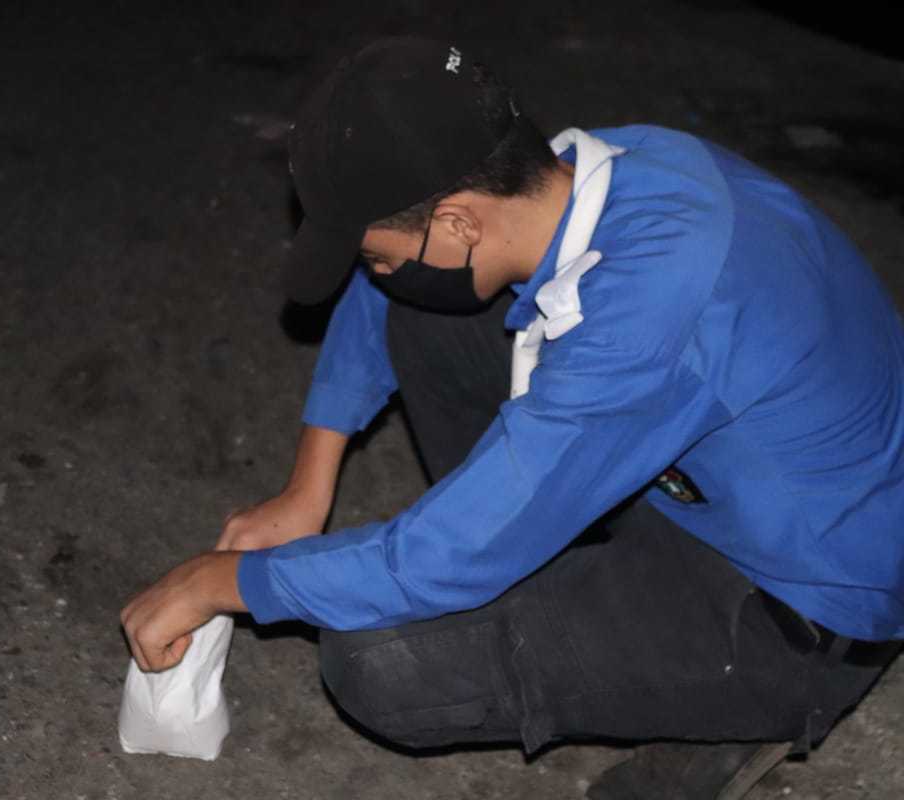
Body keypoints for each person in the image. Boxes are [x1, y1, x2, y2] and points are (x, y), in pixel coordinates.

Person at [120, 37, 903, 798]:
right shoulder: (599, 171)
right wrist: (308, 485)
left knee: (376, 658)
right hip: (711, 483)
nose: (371, 271)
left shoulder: (650, 313)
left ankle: (742, 707)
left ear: (459, 220)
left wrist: (226, 582)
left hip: (796, 605)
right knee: (423, 305)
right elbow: (386, 288)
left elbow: (436, 558)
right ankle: (549, 563)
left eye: (372, 252)